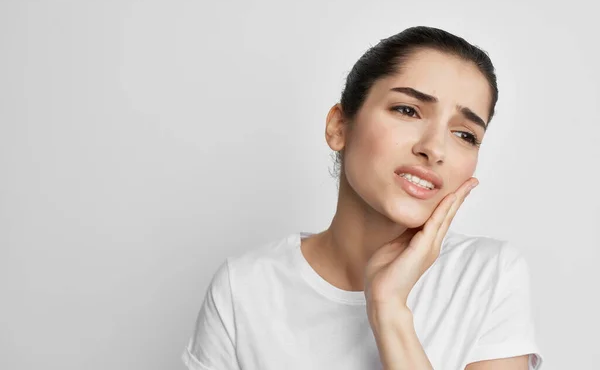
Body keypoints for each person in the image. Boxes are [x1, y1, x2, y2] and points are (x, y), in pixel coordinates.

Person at [181, 26, 544, 369]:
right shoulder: (243, 288)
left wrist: (389, 310)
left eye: (465, 134)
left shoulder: (487, 275)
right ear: (339, 127)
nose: (434, 148)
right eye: (408, 110)